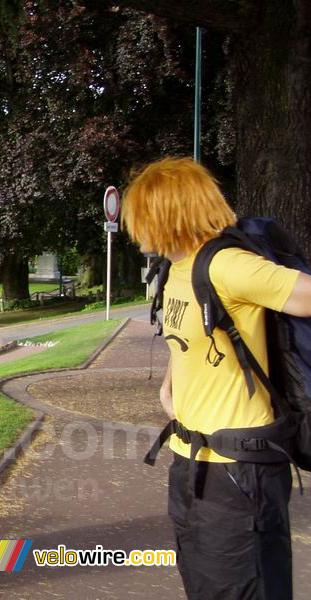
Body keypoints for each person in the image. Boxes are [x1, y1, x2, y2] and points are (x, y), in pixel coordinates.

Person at [122, 157, 311, 599]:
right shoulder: (174, 271)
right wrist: (170, 386)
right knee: (205, 588)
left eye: (141, 216)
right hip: (190, 466)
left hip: (239, 473)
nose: (135, 229)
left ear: (167, 214)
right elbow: (192, 337)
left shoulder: (227, 265)